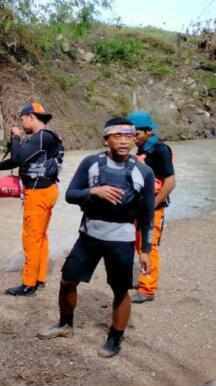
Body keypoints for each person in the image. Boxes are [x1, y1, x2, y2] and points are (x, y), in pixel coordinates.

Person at [37, 117, 155, 358]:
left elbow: (147, 215)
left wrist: (145, 250)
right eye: (117, 136)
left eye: (129, 136)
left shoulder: (144, 171)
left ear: (135, 139)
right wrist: (93, 191)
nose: (124, 141)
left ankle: (115, 338)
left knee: (120, 290)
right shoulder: (91, 163)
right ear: (106, 139)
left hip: (122, 239)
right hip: (90, 235)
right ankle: (65, 324)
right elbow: (70, 194)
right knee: (67, 280)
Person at [0, 103, 64, 296]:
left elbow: (19, 156)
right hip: (48, 190)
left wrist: (15, 137)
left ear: (30, 116)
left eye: (22, 120)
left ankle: (28, 284)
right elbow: (19, 158)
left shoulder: (41, 137)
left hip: (38, 193)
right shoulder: (46, 137)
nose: (21, 124)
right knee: (40, 236)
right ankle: (39, 277)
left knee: (30, 238)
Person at [127, 112, 176, 303]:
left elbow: (170, 182)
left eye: (136, 133)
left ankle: (148, 289)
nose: (133, 136)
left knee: (150, 247)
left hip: (153, 209)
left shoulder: (160, 150)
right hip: (139, 208)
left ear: (148, 131)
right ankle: (143, 280)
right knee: (139, 245)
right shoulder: (141, 150)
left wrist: (151, 206)